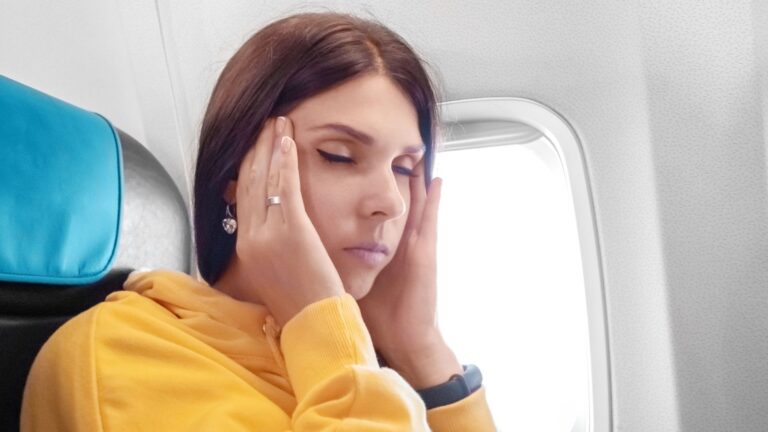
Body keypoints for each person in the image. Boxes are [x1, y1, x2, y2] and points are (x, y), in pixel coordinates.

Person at [21, 11, 496, 431]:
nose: (391, 201)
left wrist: (423, 352)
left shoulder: (372, 359)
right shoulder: (120, 356)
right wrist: (320, 321)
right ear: (236, 173)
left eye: (404, 169)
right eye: (339, 156)